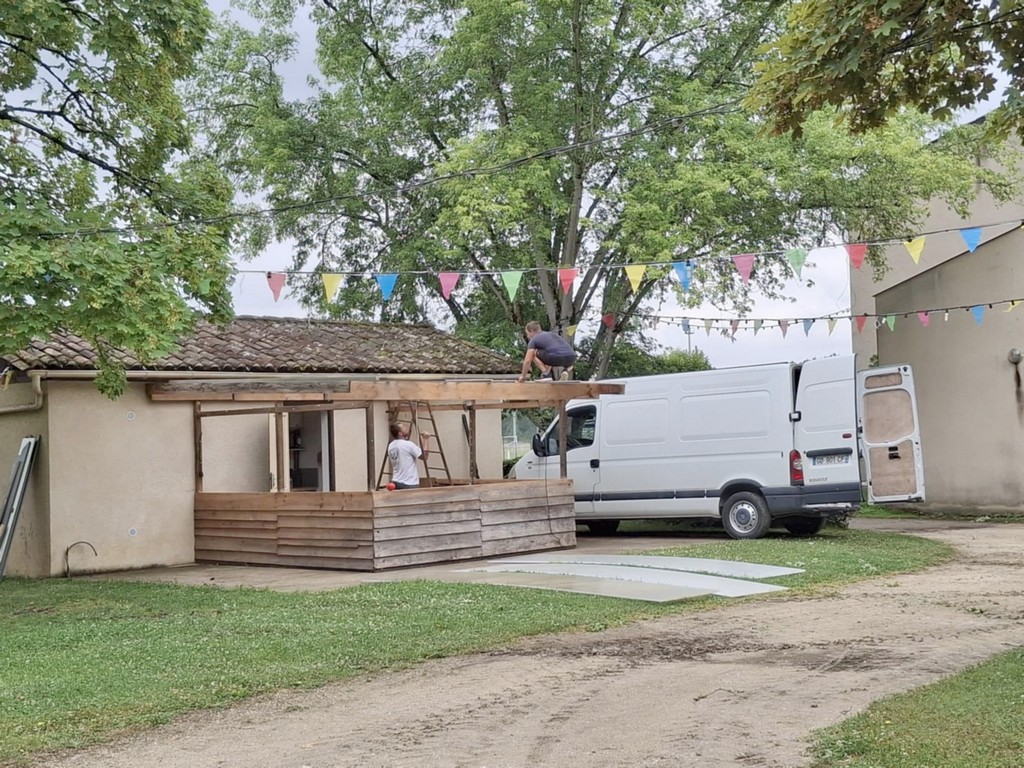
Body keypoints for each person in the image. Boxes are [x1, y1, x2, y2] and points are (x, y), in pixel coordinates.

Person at [386, 422, 430, 489]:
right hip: (409, 483)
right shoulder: (408, 444)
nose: (406, 428)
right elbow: (424, 456)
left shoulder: (391, 445)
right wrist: (426, 439)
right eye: (403, 427)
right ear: (400, 433)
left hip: (396, 481)